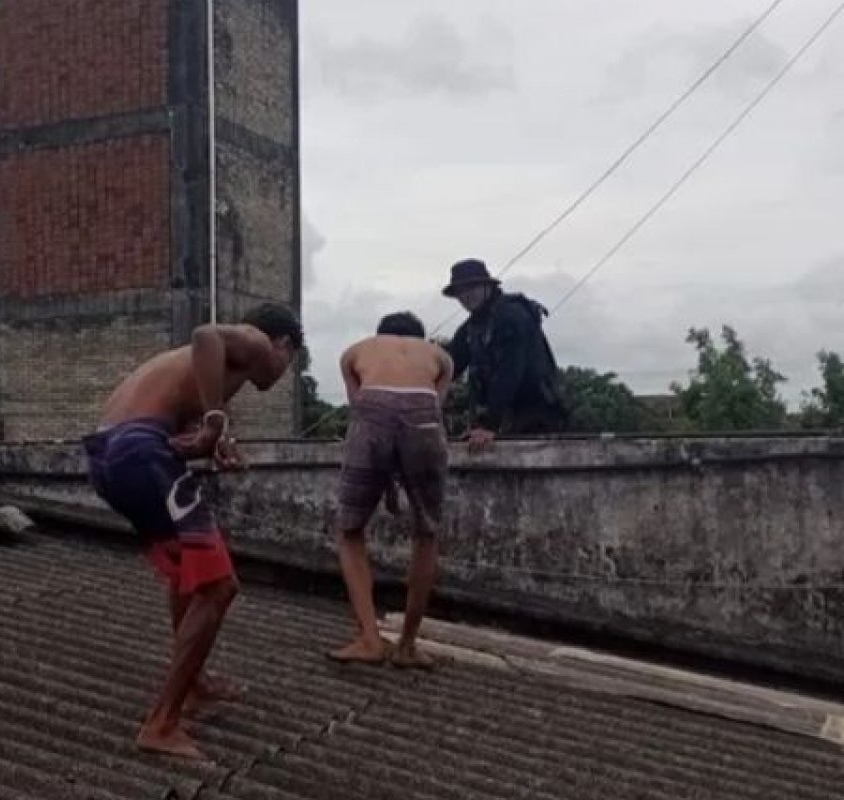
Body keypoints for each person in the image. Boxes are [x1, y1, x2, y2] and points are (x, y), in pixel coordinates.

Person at [81, 303, 303, 760]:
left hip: (109, 456)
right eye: (290, 362)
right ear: (283, 345)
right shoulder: (255, 341)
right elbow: (206, 334)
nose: (280, 374)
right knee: (220, 587)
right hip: (137, 449)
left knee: (191, 570)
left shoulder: (204, 373)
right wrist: (216, 421)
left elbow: (175, 434)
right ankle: (161, 723)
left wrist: (213, 442)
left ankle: (195, 683)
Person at [328, 311, 453, 669]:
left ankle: (369, 638)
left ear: (380, 335)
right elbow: (434, 407)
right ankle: (408, 645)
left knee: (350, 530)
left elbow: (361, 410)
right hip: (424, 411)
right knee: (426, 531)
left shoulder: (355, 352)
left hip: (372, 408)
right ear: (421, 338)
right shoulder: (440, 358)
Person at [442, 259, 567, 453]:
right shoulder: (472, 327)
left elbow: (510, 372)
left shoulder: (512, 315)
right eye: (460, 291)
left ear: (487, 286)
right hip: (506, 416)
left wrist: (489, 425)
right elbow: (449, 363)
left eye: (472, 287)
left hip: (536, 412)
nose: (466, 295)